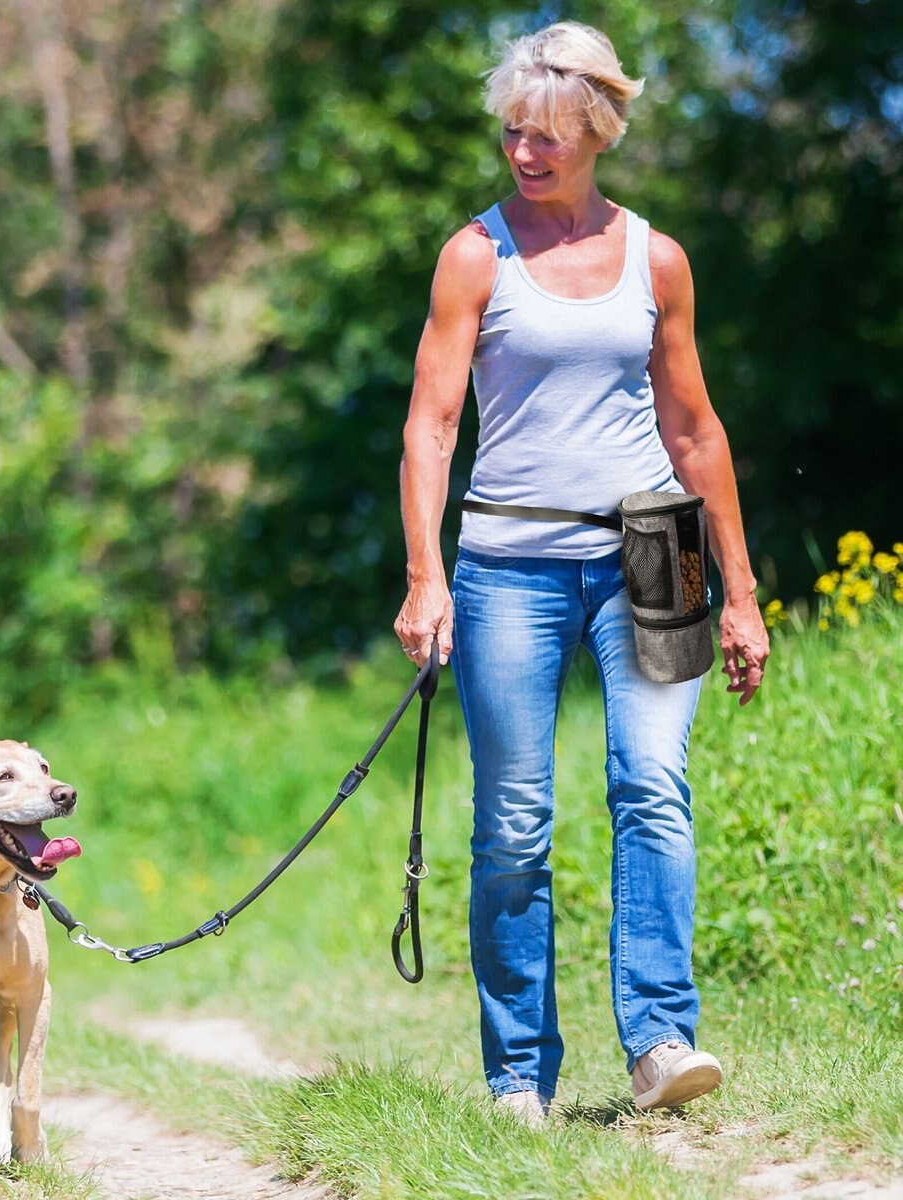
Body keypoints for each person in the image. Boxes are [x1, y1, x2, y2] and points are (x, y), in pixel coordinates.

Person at [393, 21, 770, 1125]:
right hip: (510, 556)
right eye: (513, 132)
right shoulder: (476, 255)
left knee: (652, 785)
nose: (525, 152)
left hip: (658, 546)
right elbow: (431, 424)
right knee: (514, 821)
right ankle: (521, 1075)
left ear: (599, 130)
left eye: (548, 135)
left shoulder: (658, 259)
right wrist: (428, 575)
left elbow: (695, 431)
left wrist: (739, 593)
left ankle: (659, 1040)